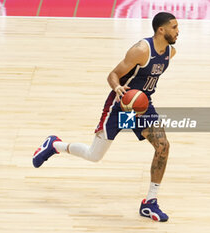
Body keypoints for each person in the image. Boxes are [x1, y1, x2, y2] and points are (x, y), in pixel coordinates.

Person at [32, 12, 179, 222]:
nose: (178, 31)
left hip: (142, 107)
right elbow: (113, 74)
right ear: (161, 30)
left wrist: (140, 100)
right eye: (174, 27)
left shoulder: (170, 53)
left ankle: (150, 203)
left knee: (163, 146)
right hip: (120, 107)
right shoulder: (140, 50)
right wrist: (118, 87)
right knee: (95, 155)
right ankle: (55, 145)